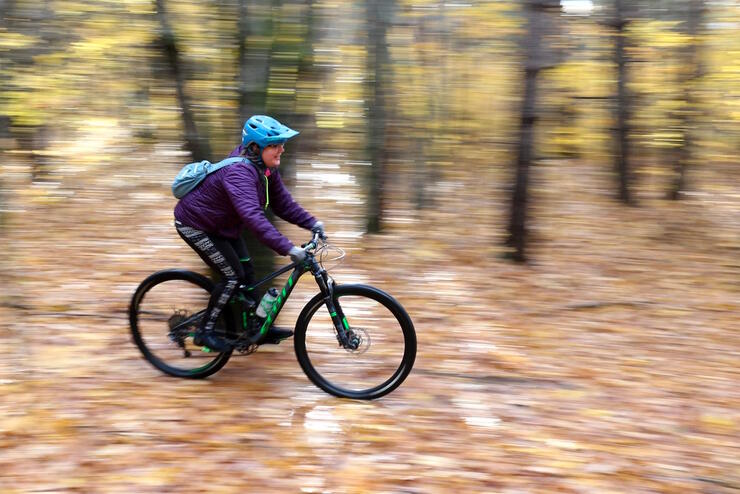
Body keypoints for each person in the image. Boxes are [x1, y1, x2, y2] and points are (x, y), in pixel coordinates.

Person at [174, 115, 325, 352]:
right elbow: (253, 218)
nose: (281, 150)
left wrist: (313, 223)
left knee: (247, 270)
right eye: (275, 145)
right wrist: (289, 248)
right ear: (256, 147)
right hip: (196, 224)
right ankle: (205, 331)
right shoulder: (239, 173)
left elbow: (283, 204)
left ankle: (254, 327)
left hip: (223, 225)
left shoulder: (265, 169)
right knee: (232, 277)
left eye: (281, 144)